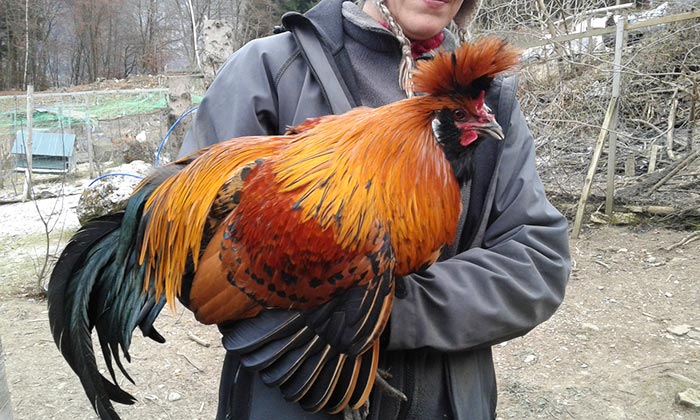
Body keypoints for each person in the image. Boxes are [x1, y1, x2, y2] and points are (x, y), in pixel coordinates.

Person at [180, 0, 571, 419]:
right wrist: (326, 300)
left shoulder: (488, 98)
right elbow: (199, 258)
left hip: (447, 402)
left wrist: (382, 311)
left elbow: (537, 262)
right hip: (292, 396)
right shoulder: (270, 68)